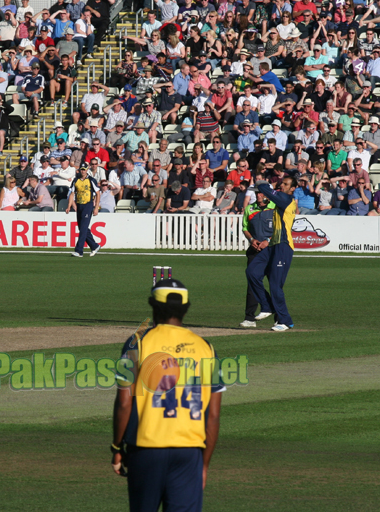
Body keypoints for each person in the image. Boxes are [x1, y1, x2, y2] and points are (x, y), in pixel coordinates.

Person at [111, 278, 223, 512]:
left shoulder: (136, 343)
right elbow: (212, 415)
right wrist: (203, 465)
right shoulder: (206, 347)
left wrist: (117, 447)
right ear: (186, 308)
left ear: (153, 305)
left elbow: (124, 403)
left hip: (145, 449)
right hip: (189, 451)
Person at [247, 178, 297, 331]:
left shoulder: (286, 199)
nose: (282, 185)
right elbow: (268, 195)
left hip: (283, 246)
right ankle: (267, 306)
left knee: (275, 284)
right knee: (252, 272)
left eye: (286, 184)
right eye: (281, 183)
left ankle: (285, 321)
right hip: (272, 245)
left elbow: (267, 191)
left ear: (293, 189)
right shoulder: (281, 198)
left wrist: (261, 183)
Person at [240, 190, 276, 328]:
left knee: (275, 284)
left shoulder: (275, 207)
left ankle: (279, 319)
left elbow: (280, 229)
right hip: (255, 250)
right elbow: (245, 227)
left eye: (261, 193)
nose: (259, 195)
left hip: (272, 250)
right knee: (252, 283)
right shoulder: (250, 208)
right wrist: (251, 239)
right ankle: (249, 318)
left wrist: (267, 240)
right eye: (257, 193)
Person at [66, 162, 101, 257]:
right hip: (79, 205)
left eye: (84, 169)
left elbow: (98, 193)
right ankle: (94, 246)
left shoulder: (91, 180)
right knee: (82, 228)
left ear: (87, 170)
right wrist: (69, 206)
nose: (83, 171)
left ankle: (79, 250)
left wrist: (96, 207)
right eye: (81, 169)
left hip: (88, 205)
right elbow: (72, 193)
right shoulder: (76, 180)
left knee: (83, 228)